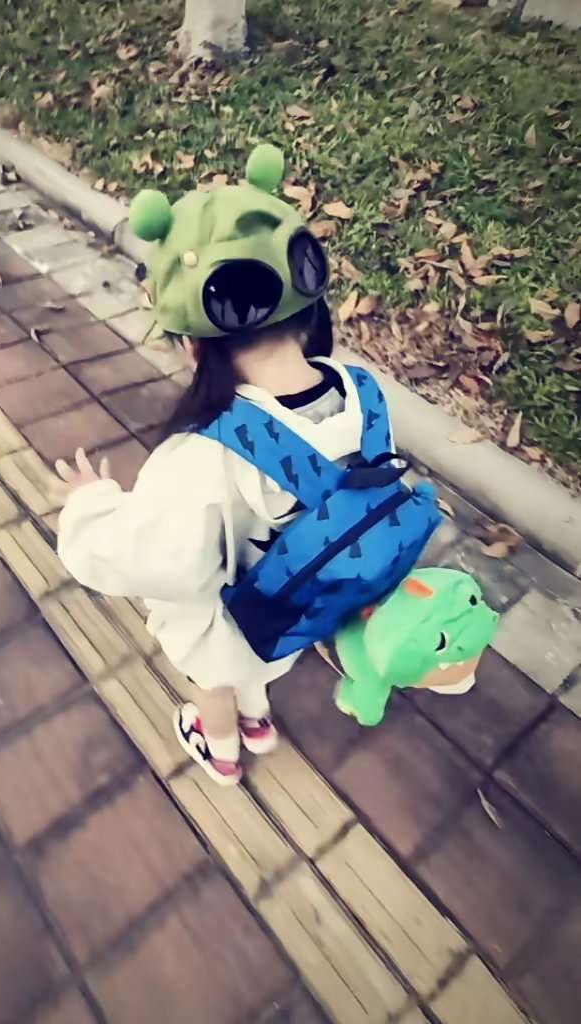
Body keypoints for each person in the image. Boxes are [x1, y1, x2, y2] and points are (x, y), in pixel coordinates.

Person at [52, 145, 437, 785]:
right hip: (296, 616)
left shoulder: (203, 455)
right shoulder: (362, 395)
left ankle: (222, 745)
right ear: (310, 309)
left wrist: (91, 504)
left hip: (224, 627)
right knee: (256, 667)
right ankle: (257, 718)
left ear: (192, 346)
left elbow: (150, 558)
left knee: (215, 678)